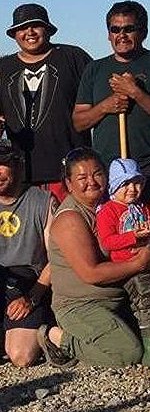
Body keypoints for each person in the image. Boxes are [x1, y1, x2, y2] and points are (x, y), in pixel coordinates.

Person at [38, 148, 150, 367]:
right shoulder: (70, 219)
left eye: (97, 174)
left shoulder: (114, 205)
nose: (91, 182)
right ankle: (56, 338)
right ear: (68, 184)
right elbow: (91, 273)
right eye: (82, 178)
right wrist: (139, 263)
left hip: (121, 295)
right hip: (81, 304)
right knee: (127, 354)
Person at [74, 0, 150, 200]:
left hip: (149, 167)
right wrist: (106, 106)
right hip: (107, 168)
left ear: (143, 32)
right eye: (115, 29)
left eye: (128, 29)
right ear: (108, 34)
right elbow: (79, 122)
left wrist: (135, 92)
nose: (121, 35)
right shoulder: (94, 69)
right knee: (111, 228)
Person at [0, 4, 91, 200]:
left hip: (72, 175)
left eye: (36, 26)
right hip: (21, 179)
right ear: (14, 34)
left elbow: (101, 92)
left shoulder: (73, 57)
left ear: (48, 30)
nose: (30, 32)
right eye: (23, 28)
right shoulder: (3, 68)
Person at [96, 158, 150, 368]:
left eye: (137, 183)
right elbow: (108, 241)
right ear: (115, 186)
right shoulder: (108, 211)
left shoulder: (143, 208)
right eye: (125, 184)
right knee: (147, 301)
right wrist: (134, 236)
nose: (132, 189)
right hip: (130, 269)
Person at [0, 143, 55, 367]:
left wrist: (33, 297)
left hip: (29, 281)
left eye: (2, 166)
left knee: (21, 357)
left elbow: (56, 259)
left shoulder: (42, 201)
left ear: (17, 167)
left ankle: (48, 330)